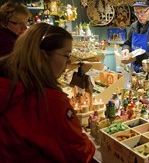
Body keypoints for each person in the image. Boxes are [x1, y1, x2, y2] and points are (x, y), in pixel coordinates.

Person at [0, 23, 95, 162]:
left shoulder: (9, 84)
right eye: (66, 55)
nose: (68, 63)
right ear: (44, 55)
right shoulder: (48, 101)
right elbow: (79, 152)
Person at [121, 0, 149, 72]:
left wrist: (136, 58)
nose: (139, 16)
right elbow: (127, 43)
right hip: (133, 69)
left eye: (142, 12)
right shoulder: (133, 26)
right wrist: (125, 49)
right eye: (136, 12)